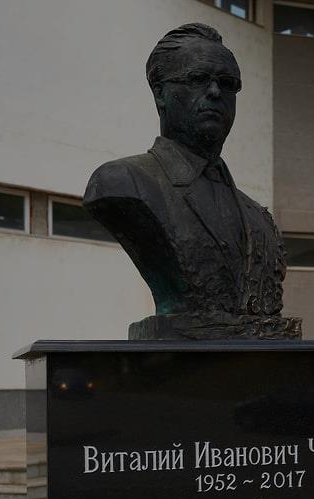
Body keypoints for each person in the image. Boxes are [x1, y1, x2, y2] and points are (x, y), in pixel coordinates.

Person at [83, 23, 300, 339]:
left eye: (228, 84)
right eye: (198, 79)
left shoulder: (259, 219)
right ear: (160, 94)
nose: (215, 92)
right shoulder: (122, 182)